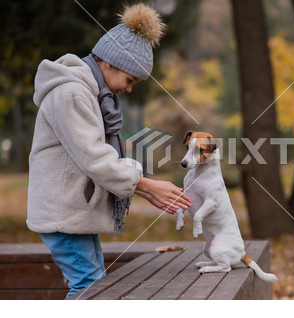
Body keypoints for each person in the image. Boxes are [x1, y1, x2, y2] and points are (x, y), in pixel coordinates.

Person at [26, 3, 190, 298]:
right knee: (90, 289)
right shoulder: (71, 92)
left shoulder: (92, 95)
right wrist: (147, 185)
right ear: (110, 63)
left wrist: (144, 188)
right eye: (130, 80)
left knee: (94, 286)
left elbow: (102, 155)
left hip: (75, 213)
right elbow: (95, 158)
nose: (129, 90)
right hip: (64, 215)